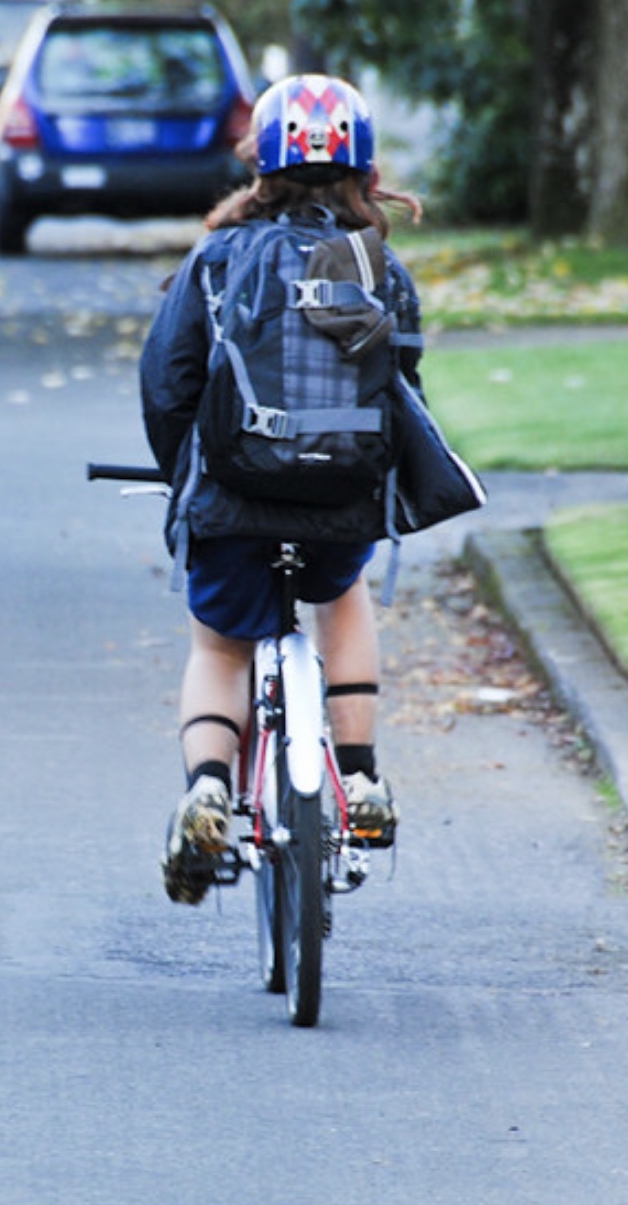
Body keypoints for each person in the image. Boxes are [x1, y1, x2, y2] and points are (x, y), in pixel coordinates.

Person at [138, 72, 422, 906]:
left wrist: (183, 472)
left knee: (218, 646)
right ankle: (361, 778)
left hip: (230, 499)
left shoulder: (218, 260)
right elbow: (403, 389)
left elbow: (168, 385)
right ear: (366, 177)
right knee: (344, 599)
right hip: (342, 499)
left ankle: (209, 789)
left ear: (258, 169)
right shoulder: (376, 267)